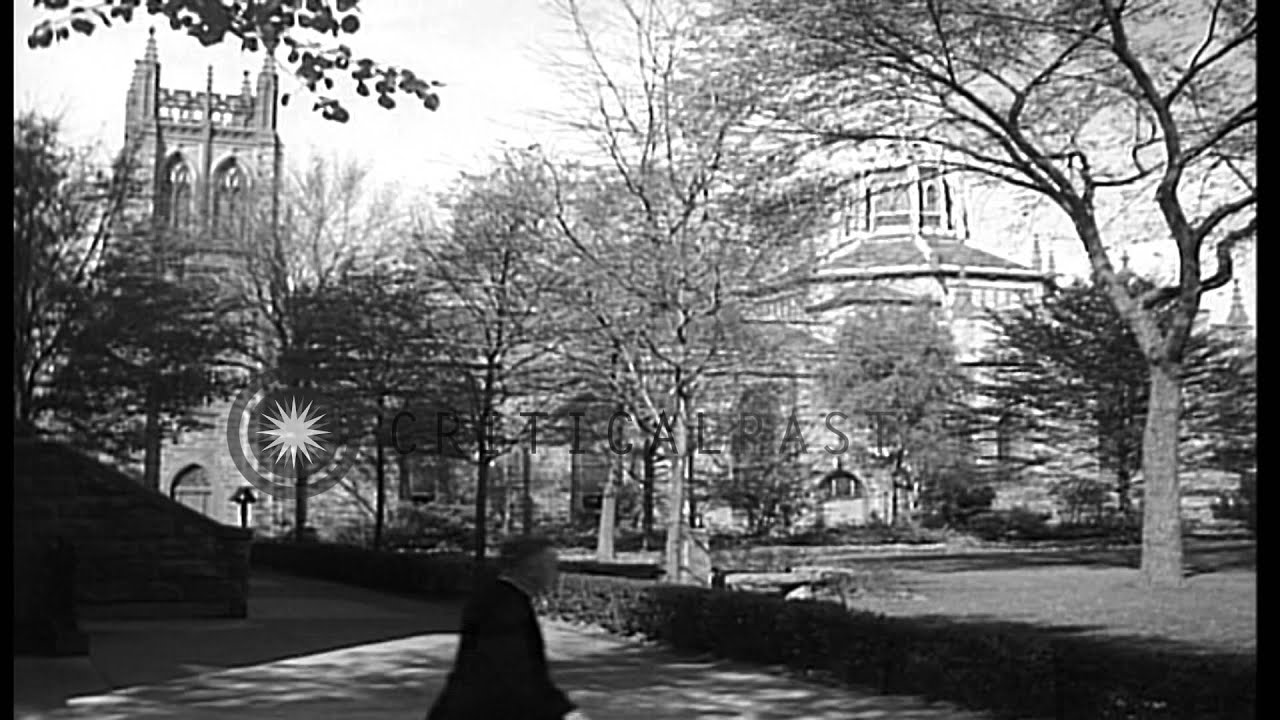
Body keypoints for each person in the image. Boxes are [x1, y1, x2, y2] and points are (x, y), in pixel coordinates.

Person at [427, 536, 590, 720]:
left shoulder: (502, 598)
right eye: (552, 566)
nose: (556, 574)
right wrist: (563, 711)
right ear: (531, 569)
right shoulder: (505, 608)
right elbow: (514, 668)